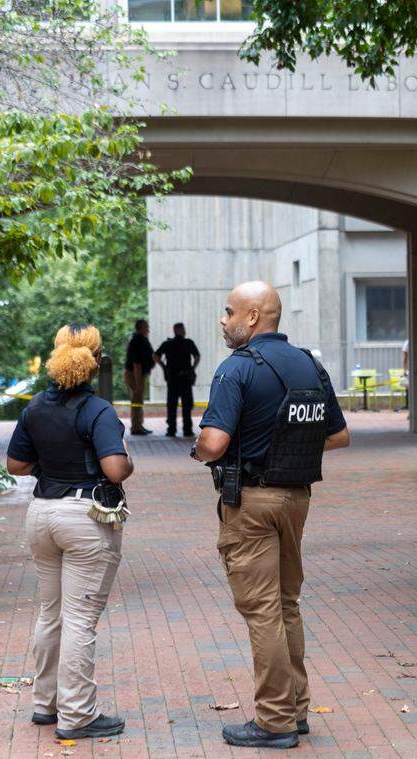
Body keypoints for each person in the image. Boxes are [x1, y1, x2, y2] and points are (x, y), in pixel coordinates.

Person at [193, 281, 351, 749]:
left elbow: (215, 443)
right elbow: (339, 436)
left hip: (252, 504)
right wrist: (285, 446)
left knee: (261, 610)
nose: (224, 320)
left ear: (254, 317)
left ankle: (275, 720)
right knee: (286, 604)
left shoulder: (235, 369)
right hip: (296, 498)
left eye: (229, 312)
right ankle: (297, 708)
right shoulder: (309, 364)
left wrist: (199, 450)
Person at [6, 323, 133, 740]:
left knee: (51, 613)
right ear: (96, 362)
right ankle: (77, 716)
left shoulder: (36, 406)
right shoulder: (97, 410)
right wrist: (126, 463)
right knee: (80, 619)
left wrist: (49, 459)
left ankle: (46, 704)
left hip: (41, 513)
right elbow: (115, 468)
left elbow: (16, 465)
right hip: (84, 518)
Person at [153, 322, 201, 438]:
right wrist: (192, 368)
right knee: (187, 405)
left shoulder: (168, 343)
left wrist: (163, 366)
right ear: (182, 330)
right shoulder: (188, 343)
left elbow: (155, 355)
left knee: (172, 405)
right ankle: (187, 430)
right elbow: (197, 357)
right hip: (185, 378)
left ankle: (171, 430)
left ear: (174, 331)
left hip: (172, 378)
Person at [123, 319, 155, 435]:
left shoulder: (142, 340)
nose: (148, 329)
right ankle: (136, 427)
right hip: (135, 374)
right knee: (136, 400)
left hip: (139, 373)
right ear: (140, 328)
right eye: (146, 326)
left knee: (138, 400)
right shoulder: (137, 341)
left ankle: (139, 425)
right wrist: (138, 382)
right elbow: (136, 363)